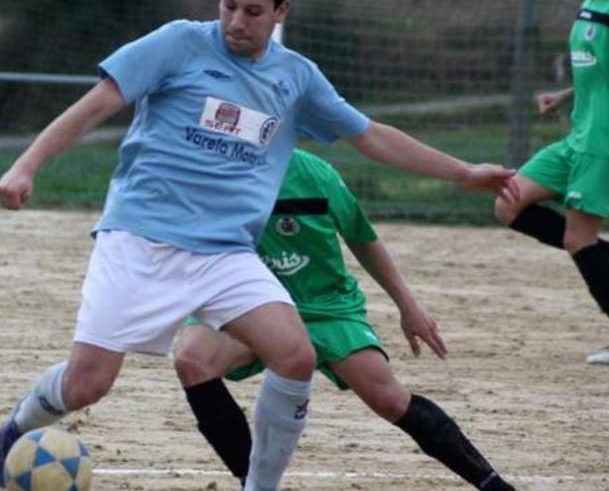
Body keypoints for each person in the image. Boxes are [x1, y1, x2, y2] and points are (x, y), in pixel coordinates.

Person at [0, 0, 519, 489]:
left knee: (294, 355)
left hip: (225, 253)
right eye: (228, 5)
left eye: (253, 11)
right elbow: (96, 104)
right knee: (87, 385)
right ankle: (17, 429)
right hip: (140, 240)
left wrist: (463, 173)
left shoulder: (296, 78)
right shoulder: (178, 43)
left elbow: (371, 135)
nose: (237, 22)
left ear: (281, 11)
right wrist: (26, 165)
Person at [175, 149, 516, 491]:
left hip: (325, 306)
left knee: (389, 399)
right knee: (193, 358)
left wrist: (408, 305)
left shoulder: (316, 175)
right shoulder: (212, 174)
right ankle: (252, 482)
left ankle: (493, 484)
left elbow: (362, 238)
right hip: (251, 305)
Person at [494, 0, 609, 365]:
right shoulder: (591, 3)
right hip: (577, 137)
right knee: (508, 202)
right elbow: (602, 72)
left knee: (576, 239)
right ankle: (608, 256)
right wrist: (564, 95)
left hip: (603, 141)